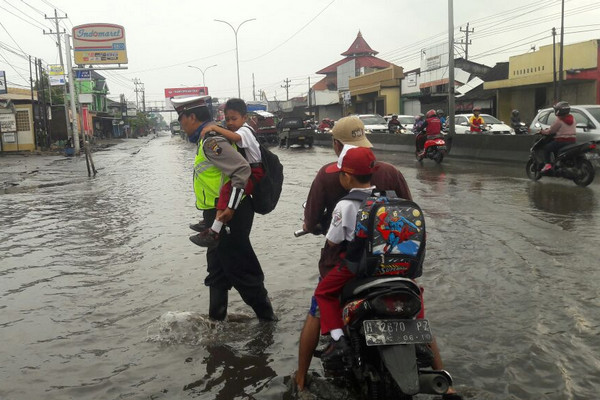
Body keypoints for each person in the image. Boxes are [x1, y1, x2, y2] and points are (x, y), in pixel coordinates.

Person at [296, 116, 459, 399]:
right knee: (414, 308)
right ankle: (447, 382)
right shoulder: (391, 173)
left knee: (318, 306)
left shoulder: (328, 176)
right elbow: (408, 211)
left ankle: (300, 379)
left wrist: (312, 227)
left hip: (349, 268)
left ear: (336, 145)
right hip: (393, 265)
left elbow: (314, 225)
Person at [172, 95, 276, 322]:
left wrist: (230, 207)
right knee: (217, 271)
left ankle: (268, 322)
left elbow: (241, 170)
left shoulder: (211, 141)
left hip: (230, 213)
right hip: (215, 213)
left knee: (241, 269)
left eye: (181, 118)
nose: (180, 124)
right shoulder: (207, 138)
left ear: (191, 116)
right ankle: (215, 323)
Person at [313, 146, 379, 363]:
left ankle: (338, 338)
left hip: (357, 268)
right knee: (414, 288)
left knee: (323, 292)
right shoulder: (385, 198)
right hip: (385, 266)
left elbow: (333, 240)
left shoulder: (346, 204)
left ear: (347, 177)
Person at [191, 98, 264, 248]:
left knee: (226, 191)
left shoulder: (245, 130)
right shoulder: (237, 129)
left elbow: (236, 139)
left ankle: (214, 229)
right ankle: (210, 222)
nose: (230, 123)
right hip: (250, 169)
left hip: (255, 172)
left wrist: (216, 129)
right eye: (227, 119)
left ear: (245, 118)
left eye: (234, 119)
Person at [540, 101, 576, 173]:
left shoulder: (559, 121)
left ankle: (548, 165)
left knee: (546, 148)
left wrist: (542, 131)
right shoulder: (573, 119)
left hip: (561, 141)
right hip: (572, 141)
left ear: (559, 111)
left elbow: (551, 131)